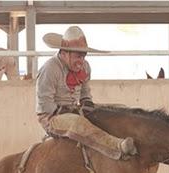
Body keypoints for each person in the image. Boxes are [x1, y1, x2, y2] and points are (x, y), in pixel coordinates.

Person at [36, 26, 137, 160]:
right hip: (51, 118)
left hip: (74, 110)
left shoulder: (85, 67)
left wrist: (88, 105)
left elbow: (85, 93)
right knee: (78, 122)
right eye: (78, 56)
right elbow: (45, 104)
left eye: (83, 56)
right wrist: (70, 112)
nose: (81, 61)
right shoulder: (50, 68)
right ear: (65, 53)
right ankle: (117, 147)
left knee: (119, 109)